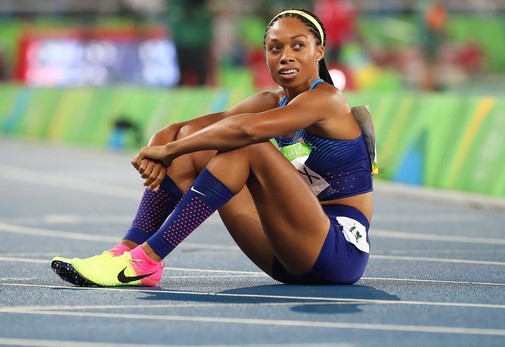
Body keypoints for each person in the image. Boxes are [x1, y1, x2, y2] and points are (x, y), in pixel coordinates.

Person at [51, 8, 376, 287]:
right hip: (284, 256)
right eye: (274, 48)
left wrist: (170, 151)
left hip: (337, 252)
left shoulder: (327, 100)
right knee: (198, 146)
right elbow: (190, 131)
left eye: (298, 46)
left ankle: (146, 260)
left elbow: (244, 129)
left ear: (319, 52)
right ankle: (126, 251)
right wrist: (163, 141)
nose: (285, 56)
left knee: (246, 146)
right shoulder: (270, 101)